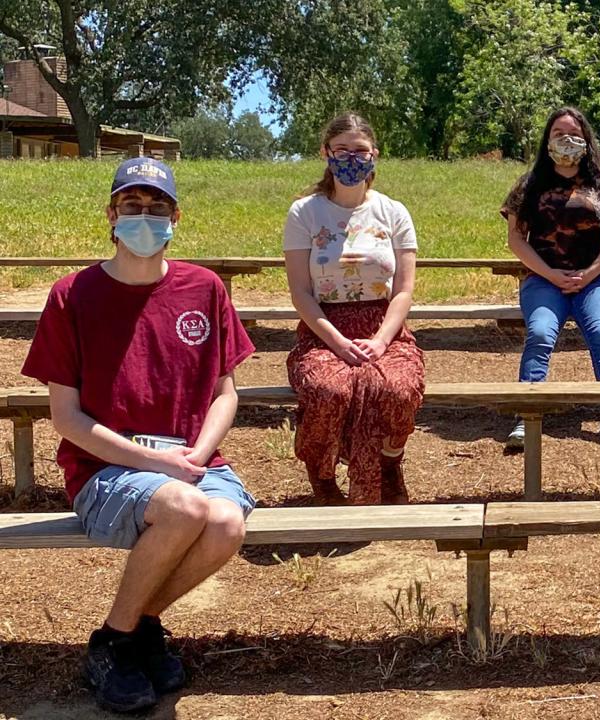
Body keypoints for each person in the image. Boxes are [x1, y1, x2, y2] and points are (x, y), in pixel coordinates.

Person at [21, 158, 256, 713]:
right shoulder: (71, 295)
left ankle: (135, 627)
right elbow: (67, 418)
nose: (144, 218)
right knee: (183, 508)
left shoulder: (204, 288)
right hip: (103, 465)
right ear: (111, 215)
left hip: (193, 460)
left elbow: (226, 394)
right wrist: (160, 465)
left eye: (157, 208)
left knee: (224, 523)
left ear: (176, 217)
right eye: (132, 206)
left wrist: (194, 454)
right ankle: (113, 646)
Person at [284, 112, 425, 505]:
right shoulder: (304, 213)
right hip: (324, 326)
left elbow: (404, 291)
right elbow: (300, 292)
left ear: (374, 155)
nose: (351, 158)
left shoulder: (394, 212)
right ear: (325, 152)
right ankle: (322, 474)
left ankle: (388, 461)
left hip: (385, 325)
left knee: (397, 389)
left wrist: (381, 341)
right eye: (341, 150)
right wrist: (336, 340)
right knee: (330, 389)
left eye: (359, 151)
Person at [500, 107, 600, 449]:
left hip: (596, 279)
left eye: (574, 133)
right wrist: (552, 275)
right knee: (541, 333)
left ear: (587, 140)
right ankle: (527, 414)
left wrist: (588, 274)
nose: (566, 140)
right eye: (558, 133)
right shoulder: (529, 185)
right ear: (547, 140)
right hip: (543, 279)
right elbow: (516, 239)